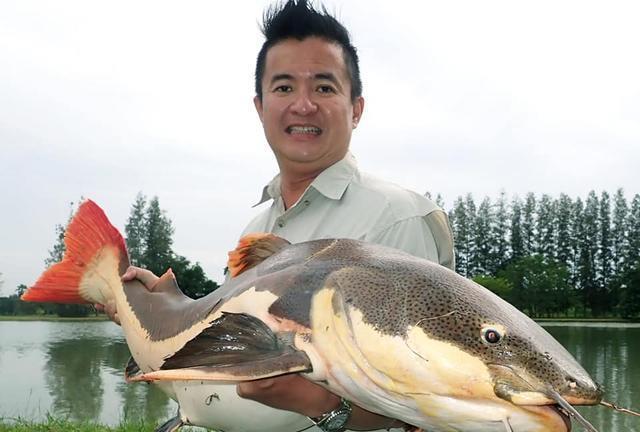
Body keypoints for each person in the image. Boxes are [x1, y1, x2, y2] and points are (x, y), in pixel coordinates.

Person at [112, 1, 455, 431]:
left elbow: (428, 402)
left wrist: (323, 406)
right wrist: (157, 307)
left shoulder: (397, 218)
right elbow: (228, 347)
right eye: (284, 87)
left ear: (357, 108)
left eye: (325, 88)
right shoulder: (257, 228)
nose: (304, 105)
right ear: (260, 106)